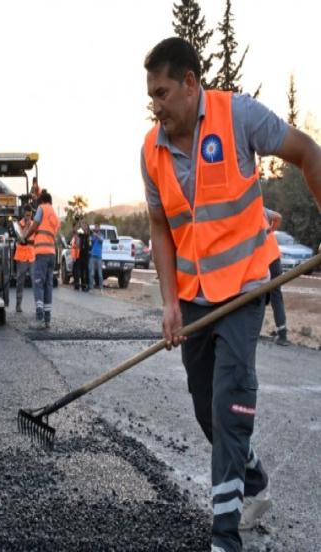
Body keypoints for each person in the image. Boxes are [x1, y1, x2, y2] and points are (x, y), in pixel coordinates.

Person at [141, 37, 321, 552]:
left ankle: (225, 538)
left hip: (245, 284)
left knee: (230, 401)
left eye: (163, 92)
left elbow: (307, 152)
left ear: (191, 83)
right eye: (151, 95)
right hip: (196, 295)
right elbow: (159, 227)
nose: (156, 105)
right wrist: (170, 301)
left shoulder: (237, 115)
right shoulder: (151, 152)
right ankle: (253, 478)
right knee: (205, 409)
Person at [21, 189, 60, 328]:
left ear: (42, 201)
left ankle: (39, 319)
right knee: (48, 285)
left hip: (41, 253)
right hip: (52, 253)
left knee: (38, 283)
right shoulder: (55, 215)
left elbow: (35, 225)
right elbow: (50, 233)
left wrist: (25, 236)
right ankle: (47, 319)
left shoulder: (42, 208)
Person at [264, 208, 288, 345]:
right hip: (274, 257)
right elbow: (278, 216)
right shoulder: (262, 210)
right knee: (276, 295)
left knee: (257, 296)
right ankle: (282, 332)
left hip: (263, 261)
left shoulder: (243, 211)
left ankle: (253, 332)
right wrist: (271, 230)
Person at [13, 205, 36, 313]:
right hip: (21, 256)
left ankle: (38, 306)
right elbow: (21, 238)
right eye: (27, 215)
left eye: (30, 215)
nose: (29, 218)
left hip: (32, 256)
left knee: (35, 281)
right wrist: (26, 227)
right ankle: (18, 305)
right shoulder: (18, 224)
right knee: (20, 282)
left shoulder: (33, 224)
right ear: (24, 214)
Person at [89, 224, 104, 290]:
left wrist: (96, 235)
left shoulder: (101, 235)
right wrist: (92, 237)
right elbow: (90, 242)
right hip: (92, 256)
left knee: (100, 273)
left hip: (99, 257)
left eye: (97, 227)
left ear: (99, 228)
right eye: (95, 227)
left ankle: (101, 287)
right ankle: (91, 286)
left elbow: (101, 240)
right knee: (92, 273)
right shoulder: (93, 235)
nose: (96, 228)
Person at [78, 222, 91, 292]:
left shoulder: (89, 236)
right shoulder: (81, 235)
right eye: (84, 228)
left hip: (86, 255)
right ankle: (83, 286)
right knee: (82, 271)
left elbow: (90, 246)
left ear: (88, 229)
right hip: (81, 254)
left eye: (86, 227)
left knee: (87, 271)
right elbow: (78, 231)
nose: (84, 229)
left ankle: (88, 285)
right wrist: (80, 225)